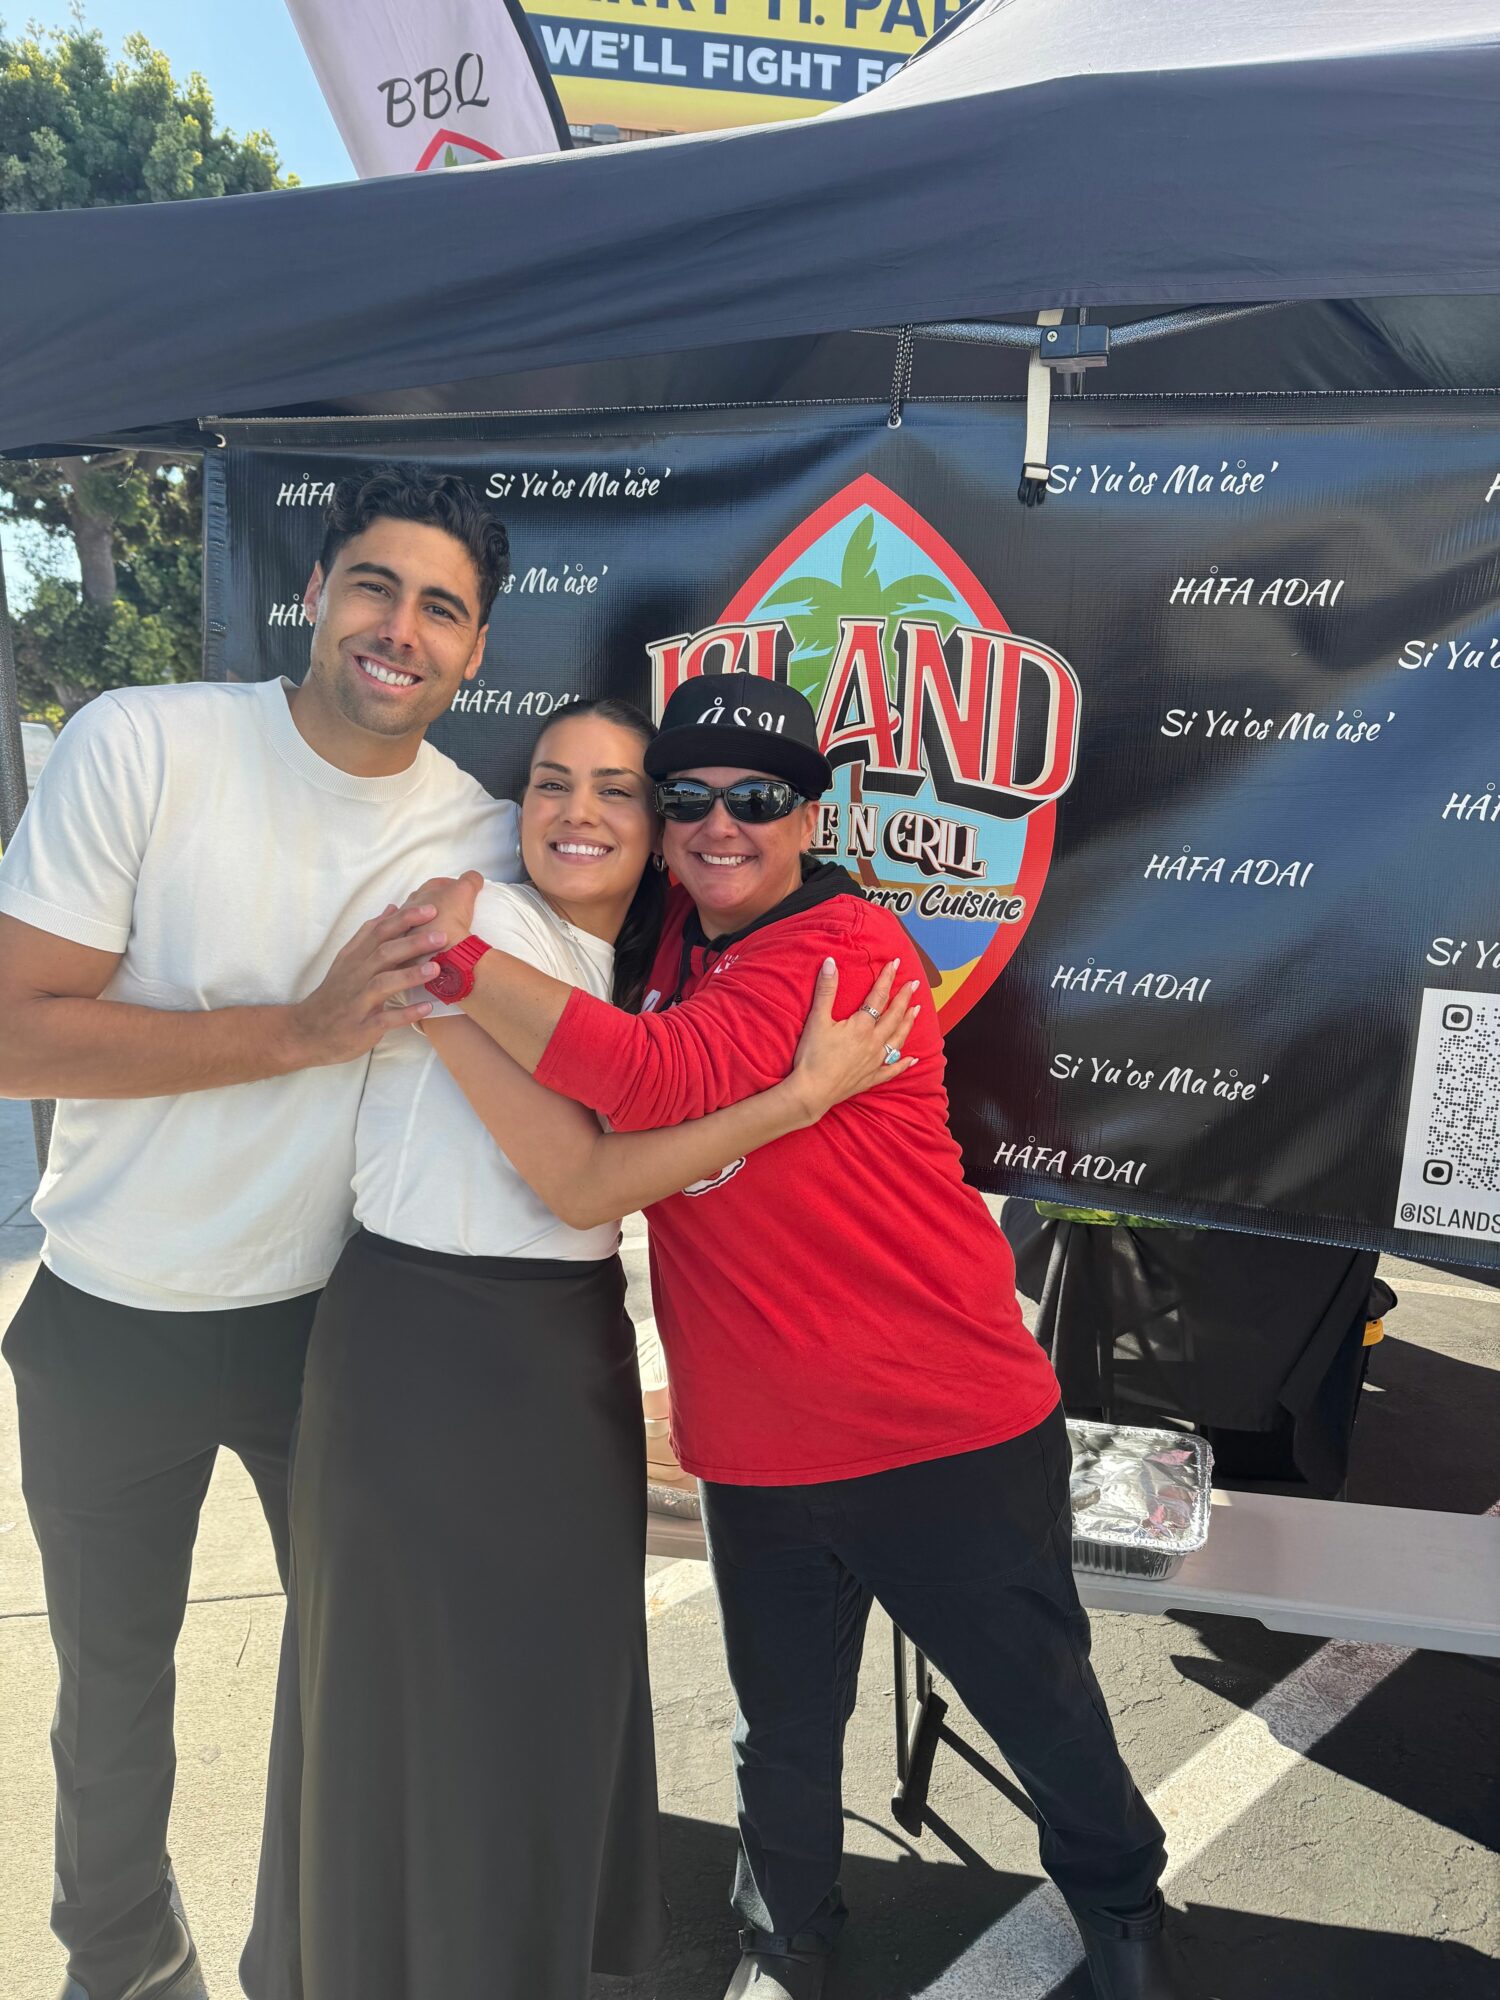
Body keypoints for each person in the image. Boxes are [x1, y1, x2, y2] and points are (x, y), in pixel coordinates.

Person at [400, 676, 1189, 2000]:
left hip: (941, 1431)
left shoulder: (844, 952)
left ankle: (1122, 1905)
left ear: (812, 817)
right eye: (689, 799)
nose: (721, 826)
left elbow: (644, 1082)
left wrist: (448, 960)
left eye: (757, 799)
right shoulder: (674, 933)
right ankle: (791, 1932)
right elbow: (559, 858)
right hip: (761, 1448)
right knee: (784, 1732)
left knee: (1040, 1706)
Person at [262, 696, 917, 2000]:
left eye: (619, 790)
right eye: (552, 782)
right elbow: (578, 1181)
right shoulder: (481, 934)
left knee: (553, 1691)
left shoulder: (646, 970)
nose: (578, 812)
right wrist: (799, 1096)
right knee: (433, 1697)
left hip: (565, 1348)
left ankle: (527, 1962)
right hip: (428, 1345)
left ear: (660, 827)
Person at [0, 462, 519, 2000]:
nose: (400, 628)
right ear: (313, 594)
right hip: (108, 1313)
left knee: (363, 1691)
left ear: (477, 649)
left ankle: (323, 1962)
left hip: (335, 1328)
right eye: (374, 586)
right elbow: (13, 1032)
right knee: (110, 1690)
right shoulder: (144, 744)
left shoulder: (485, 840)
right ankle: (122, 1960)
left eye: (441, 608)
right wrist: (296, 1032)